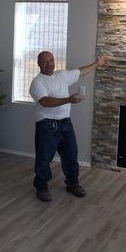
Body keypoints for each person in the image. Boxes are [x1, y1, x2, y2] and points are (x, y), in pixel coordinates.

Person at [29, 51, 108, 202]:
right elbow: (45, 101)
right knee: (44, 158)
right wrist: (69, 99)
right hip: (47, 124)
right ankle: (41, 186)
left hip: (65, 122)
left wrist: (97, 63)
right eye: (44, 61)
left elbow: (81, 71)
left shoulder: (62, 75)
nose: (49, 64)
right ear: (39, 64)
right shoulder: (37, 82)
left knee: (71, 155)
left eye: (51, 60)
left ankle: (72, 183)